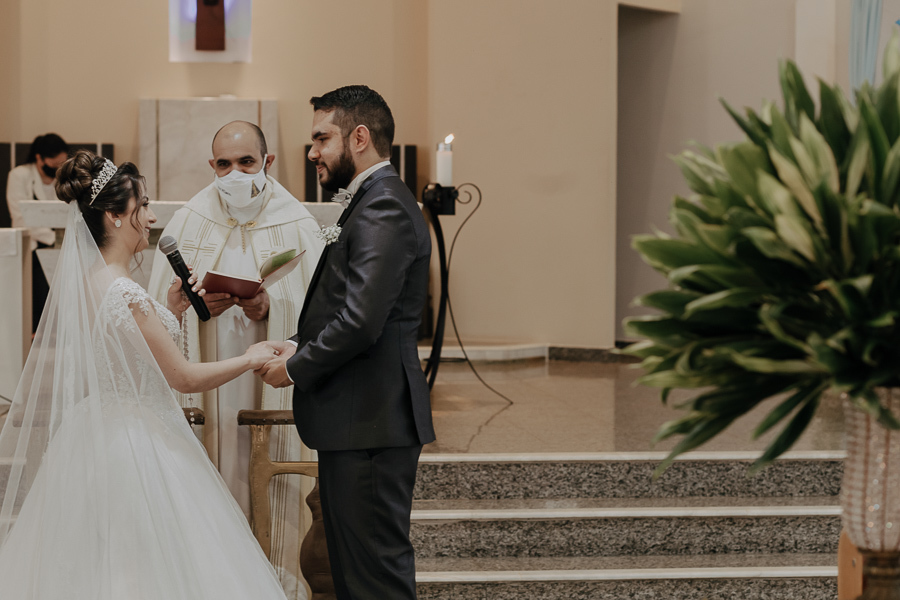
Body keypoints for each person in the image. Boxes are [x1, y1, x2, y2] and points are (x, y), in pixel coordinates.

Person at [0, 150, 289, 599]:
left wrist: (170, 308)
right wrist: (252, 357)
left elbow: (126, 350)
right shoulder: (123, 291)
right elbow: (185, 377)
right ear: (116, 216)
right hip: (135, 443)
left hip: (99, 432)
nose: (152, 217)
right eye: (144, 206)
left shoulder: (96, 280)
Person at [259, 85, 435, 600]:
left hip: (372, 424)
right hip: (358, 422)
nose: (312, 151)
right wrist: (297, 343)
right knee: (353, 576)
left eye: (321, 138)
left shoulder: (383, 206)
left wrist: (295, 369)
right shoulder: (372, 200)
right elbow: (348, 305)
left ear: (359, 137)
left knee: (375, 577)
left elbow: (361, 321)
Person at [147, 121, 323, 599]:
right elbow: (156, 315)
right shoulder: (188, 220)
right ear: (212, 167)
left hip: (269, 380)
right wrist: (196, 310)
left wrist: (272, 308)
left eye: (246, 162)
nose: (234, 172)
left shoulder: (298, 222)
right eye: (224, 164)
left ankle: (278, 582)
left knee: (266, 474)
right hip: (210, 379)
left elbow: (323, 313)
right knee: (216, 467)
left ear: (267, 163)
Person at [5, 133, 69, 332]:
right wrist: (51, 238)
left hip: (63, 243)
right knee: (38, 295)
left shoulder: (65, 176)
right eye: (54, 164)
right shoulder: (19, 176)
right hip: (33, 245)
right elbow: (20, 216)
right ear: (39, 158)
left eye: (62, 164)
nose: (58, 168)